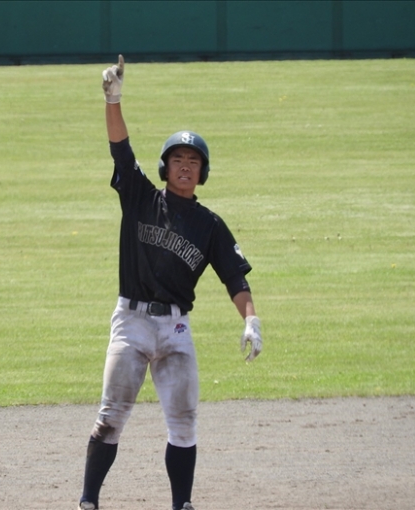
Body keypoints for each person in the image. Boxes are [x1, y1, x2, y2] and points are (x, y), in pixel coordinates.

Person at [77, 55, 263, 510]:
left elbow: (234, 277)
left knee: (184, 423)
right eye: (177, 159)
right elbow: (121, 149)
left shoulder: (210, 225)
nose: (185, 166)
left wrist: (251, 320)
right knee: (111, 417)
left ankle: (182, 505)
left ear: (203, 172)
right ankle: (88, 501)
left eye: (193, 161)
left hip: (176, 328)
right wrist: (113, 100)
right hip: (131, 322)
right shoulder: (140, 196)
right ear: (165, 167)